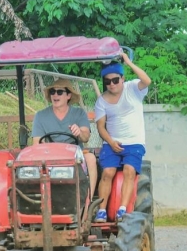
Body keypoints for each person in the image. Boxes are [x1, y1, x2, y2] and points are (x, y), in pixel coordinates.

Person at [94, 52, 151, 222]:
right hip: (112, 143)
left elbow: (147, 80)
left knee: (129, 170)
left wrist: (128, 62)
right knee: (108, 172)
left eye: (115, 80)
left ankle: (123, 209)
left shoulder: (133, 88)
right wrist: (111, 142)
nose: (111, 84)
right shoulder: (102, 101)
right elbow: (100, 126)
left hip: (134, 143)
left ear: (122, 78)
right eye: (107, 81)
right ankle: (101, 211)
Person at [32, 78, 98, 198]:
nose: (55, 95)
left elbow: (86, 136)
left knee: (91, 159)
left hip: (75, 155)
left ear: (68, 95)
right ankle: (40, 200)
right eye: (53, 92)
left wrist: (79, 132)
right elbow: (36, 144)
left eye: (59, 92)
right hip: (49, 155)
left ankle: (88, 202)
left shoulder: (79, 113)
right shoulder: (40, 116)